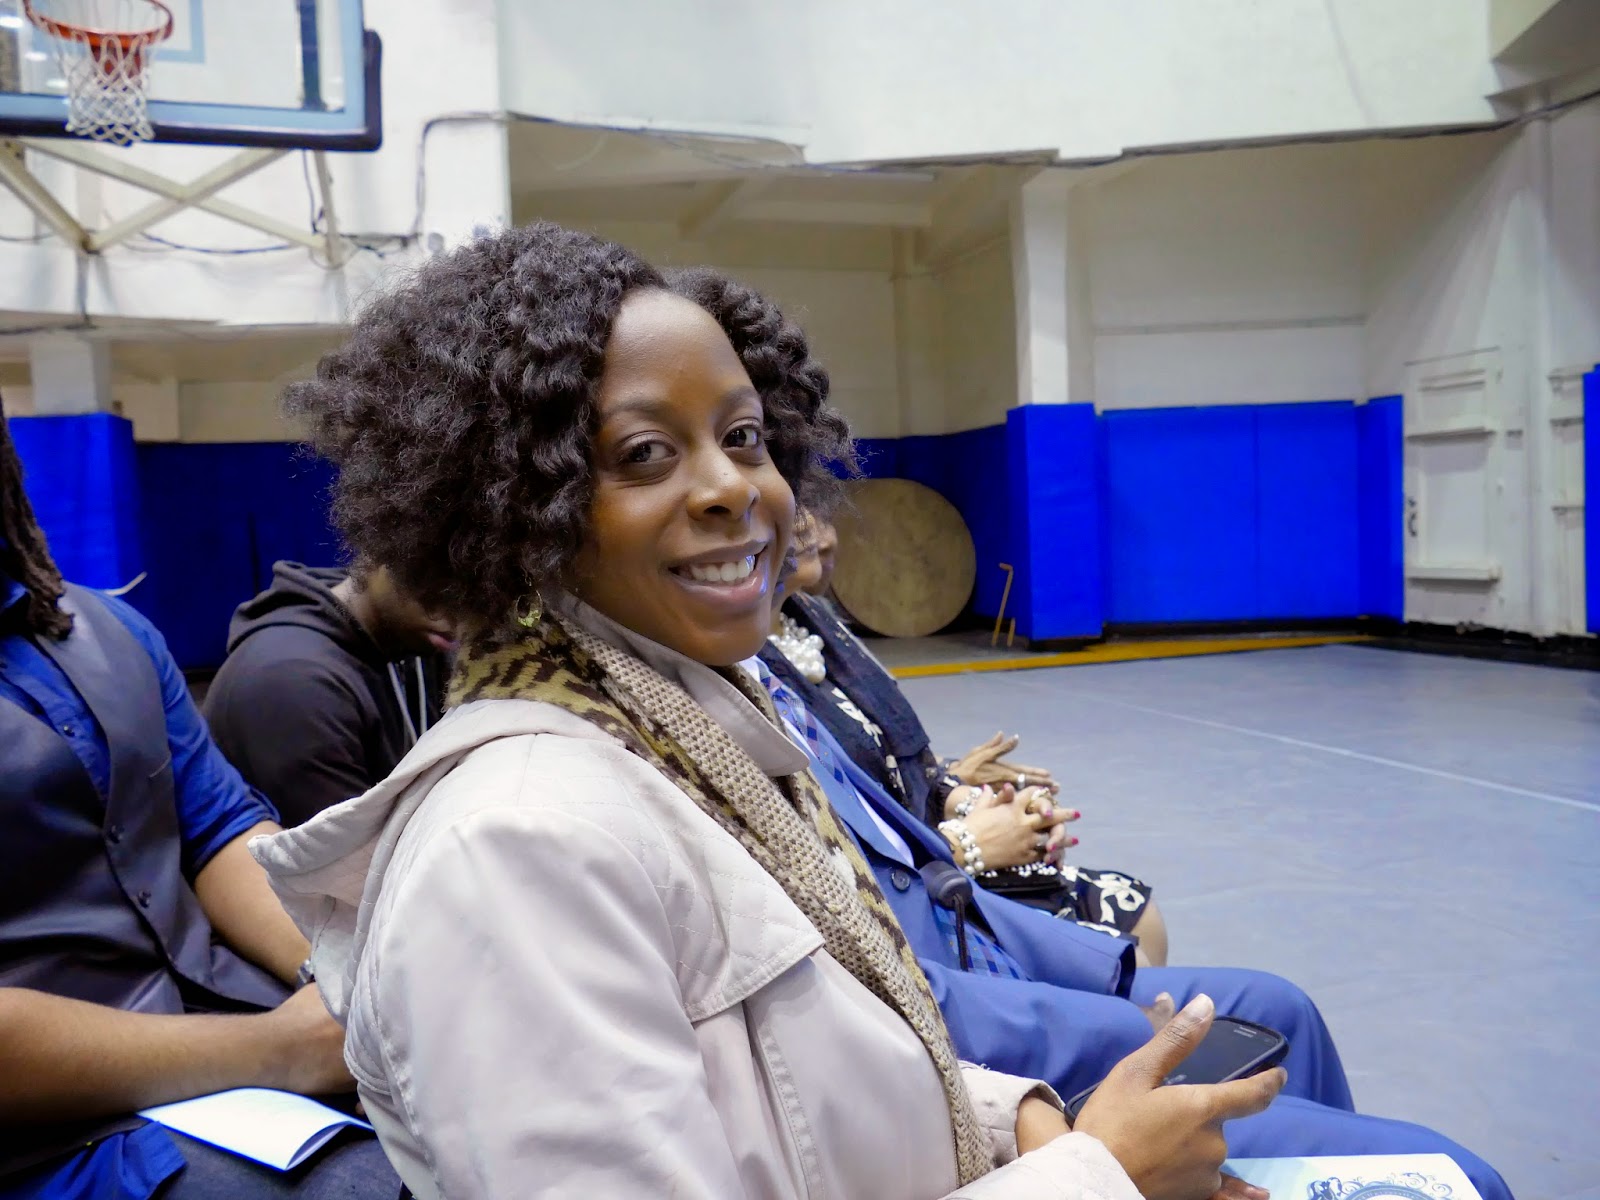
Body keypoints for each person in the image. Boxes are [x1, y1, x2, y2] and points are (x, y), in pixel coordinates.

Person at [250, 222, 1289, 1200]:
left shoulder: (688, 731)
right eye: (644, 454)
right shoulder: (515, 849)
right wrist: (1095, 1177)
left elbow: (814, 1091)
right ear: (516, 509)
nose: (731, 488)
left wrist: (1009, 1124)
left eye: (743, 437)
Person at [751, 567, 1511, 1199]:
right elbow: (896, 970)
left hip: (969, 933)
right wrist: (1111, 1012)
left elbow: (896, 791)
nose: (807, 522)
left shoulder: (801, 643)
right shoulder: (732, 707)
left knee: (1277, 1003)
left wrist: (959, 795)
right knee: (1462, 1177)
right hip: (966, 1016)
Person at [0, 399, 399, 1200]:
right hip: (58, 1137)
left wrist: (341, 976)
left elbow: (217, 831)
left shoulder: (104, 631)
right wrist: (273, 1049)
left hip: (231, 1039)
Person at [767, 513, 1166, 962]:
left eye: (819, 505)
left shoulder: (813, 620)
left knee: (1137, 911)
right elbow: (822, 855)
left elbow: (895, 769)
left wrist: (974, 799)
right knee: (1121, 958)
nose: (816, 529)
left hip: (924, 846)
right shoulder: (747, 673)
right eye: (796, 500)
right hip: (886, 911)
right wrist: (967, 844)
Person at [204, 561, 454, 827]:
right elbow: (350, 859)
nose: (465, 607)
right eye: (444, 574)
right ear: (379, 549)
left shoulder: (410, 637)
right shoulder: (293, 683)